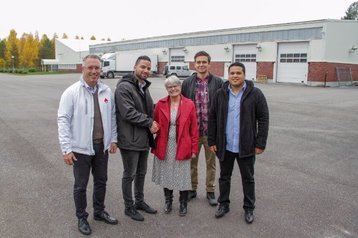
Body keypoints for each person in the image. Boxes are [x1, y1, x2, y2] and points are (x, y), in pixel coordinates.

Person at [57, 54, 118, 236]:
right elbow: (63, 120)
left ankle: (99, 212)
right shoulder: (72, 92)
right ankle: (82, 217)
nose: (94, 71)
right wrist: (66, 149)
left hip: (102, 147)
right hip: (80, 149)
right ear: (82, 69)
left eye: (97, 68)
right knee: (80, 185)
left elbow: (112, 117)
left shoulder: (107, 91)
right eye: (90, 67)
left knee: (101, 181)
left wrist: (113, 139)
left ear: (101, 69)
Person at [208, 62, 269, 224]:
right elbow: (212, 117)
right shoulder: (220, 94)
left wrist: (260, 143)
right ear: (228, 75)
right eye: (232, 73)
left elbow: (263, 118)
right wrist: (212, 140)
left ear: (244, 75)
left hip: (246, 145)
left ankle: (249, 208)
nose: (235, 76)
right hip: (225, 145)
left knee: (248, 178)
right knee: (224, 177)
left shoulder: (255, 94)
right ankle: (223, 204)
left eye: (238, 73)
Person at [115, 55, 159, 222]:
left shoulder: (142, 87)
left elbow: (149, 109)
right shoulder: (124, 87)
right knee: (130, 174)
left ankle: (139, 202)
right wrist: (149, 122)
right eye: (143, 67)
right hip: (130, 140)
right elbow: (128, 112)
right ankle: (129, 207)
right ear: (134, 67)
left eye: (148, 68)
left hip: (143, 139)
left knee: (141, 172)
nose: (146, 70)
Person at [151, 76, 199, 216]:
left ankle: (183, 203)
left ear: (180, 87)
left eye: (175, 86)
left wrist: (194, 148)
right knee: (167, 173)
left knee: (182, 175)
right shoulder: (160, 104)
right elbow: (155, 122)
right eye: (169, 87)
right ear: (167, 89)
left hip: (183, 144)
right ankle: (168, 201)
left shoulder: (189, 104)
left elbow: (194, 129)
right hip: (165, 144)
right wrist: (153, 127)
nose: (173, 89)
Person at [181, 51, 223, 206]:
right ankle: (192, 189)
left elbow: (222, 107)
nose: (201, 65)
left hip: (211, 133)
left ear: (209, 64)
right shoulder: (187, 83)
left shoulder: (218, 82)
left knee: (211, 164)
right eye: (198, 62)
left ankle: (210, 191)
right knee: (192, 163)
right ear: (194, 64)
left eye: (204, 62)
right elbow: (182, 106)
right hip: (193, 132)